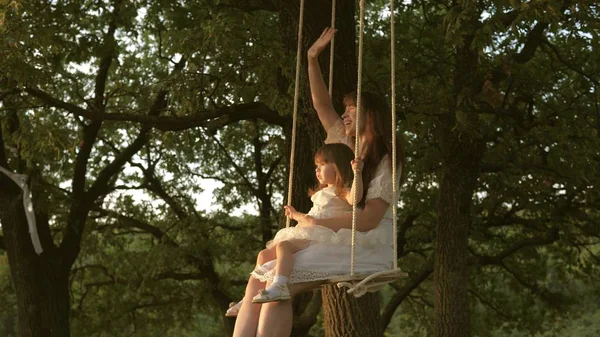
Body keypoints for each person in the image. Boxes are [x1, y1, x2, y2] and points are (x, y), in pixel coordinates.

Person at [232, 27, 405, 337]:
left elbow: (368, 220)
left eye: (352, 109)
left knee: (276, 281)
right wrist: (312, 58)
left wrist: (313, 223)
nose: (345, 114)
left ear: (372, 115)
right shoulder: (341, 141)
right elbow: (321, 104)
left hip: (360, 242)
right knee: (261, 275)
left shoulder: (385, 160)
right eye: (346, 109)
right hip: (327, 232)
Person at [226, 143, 362, 316]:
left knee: (284, 247)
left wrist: (357, 173)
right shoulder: (320, 193)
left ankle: (280, 284)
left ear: (338, 166)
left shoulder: (342, 190)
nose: (317, 170)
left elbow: (355, 199)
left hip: (323, 234)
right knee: (263, 255)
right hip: (309, 230)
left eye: (322, 165)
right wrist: (296, 215)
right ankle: (247, 298)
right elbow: (312, 216)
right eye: (316, 167)